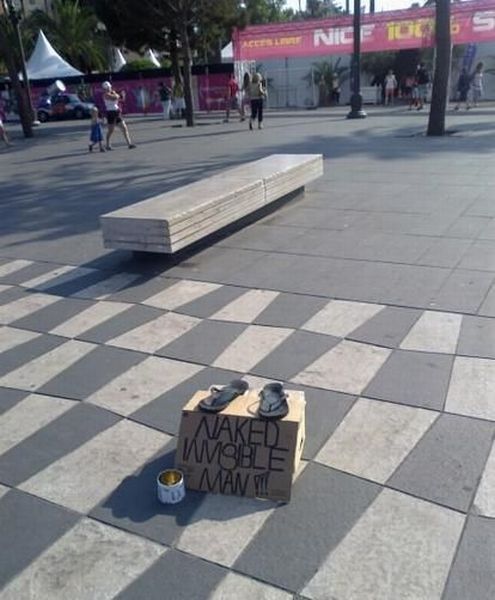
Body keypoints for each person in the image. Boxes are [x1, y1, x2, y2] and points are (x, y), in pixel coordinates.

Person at [101, 81, 136, 150]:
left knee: (124, 127)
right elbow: (114, 98)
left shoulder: (112, 93)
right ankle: (107, 145)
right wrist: (118, 94)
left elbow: (121, 99)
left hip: (116, 112)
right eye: (108, 88)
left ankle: (129, 144)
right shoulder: (105, 95)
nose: (109, 88)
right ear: (105, 89)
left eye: (109, 87)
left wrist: (120, 95)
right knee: (111, 130)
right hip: (110, 113)